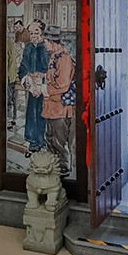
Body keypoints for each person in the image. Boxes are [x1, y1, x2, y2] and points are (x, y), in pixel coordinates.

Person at [41, 25, 75, 175]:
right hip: (51, 107)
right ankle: (54, 167)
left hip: (60, 108)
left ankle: (63, 168)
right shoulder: (53, 56)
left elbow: (63, 85)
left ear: (52, 41)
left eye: (45, 41)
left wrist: (45, 89)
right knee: (49, 138)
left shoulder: (64, 58)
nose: (44, 44)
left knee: (59, 141)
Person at [16, 20, 48, 148]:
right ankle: (33, 142)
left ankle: (44, 141)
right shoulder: (28, 48)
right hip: (32, 87)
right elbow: (22, 67)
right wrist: (27, 78)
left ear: (42, 33)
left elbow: (53, 69)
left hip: (46, 88)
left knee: (44, 114)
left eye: (36, 32)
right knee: (33, 114)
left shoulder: (47, 47)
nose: (33, 36)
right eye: (31, 33)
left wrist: (43, 77)